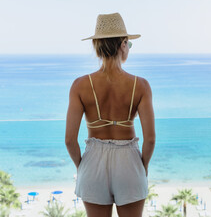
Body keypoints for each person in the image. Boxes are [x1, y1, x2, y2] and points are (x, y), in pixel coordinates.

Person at [65, 12, 156, 217]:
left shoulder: (80, 85)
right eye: (129, 45)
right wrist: (143, 166)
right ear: (123, 45)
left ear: (97, 47)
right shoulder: (140, 85)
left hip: (93, 160)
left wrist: (84, 166)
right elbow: (150, 139)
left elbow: (70, 140)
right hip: (129, 162)